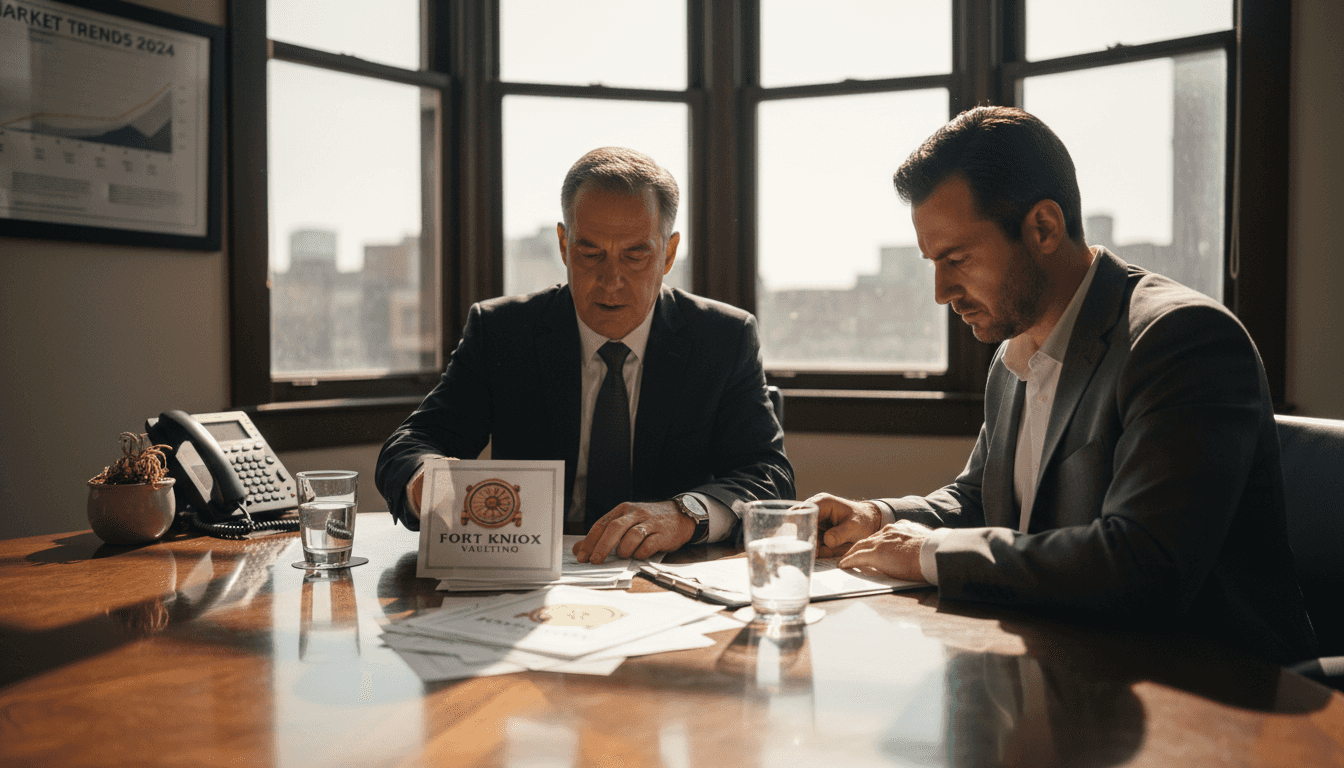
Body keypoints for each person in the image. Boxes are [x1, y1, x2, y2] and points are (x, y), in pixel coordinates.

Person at [813, 106, 1316, 665]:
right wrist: (878, 517)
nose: (940, 291)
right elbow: (979, 500)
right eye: (933, 262)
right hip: (1068, 664)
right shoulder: (1013, 355)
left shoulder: (1181, 339)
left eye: (956, 259)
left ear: (1044, 228)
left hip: (1212, 689)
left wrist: (930, 552)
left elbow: (1141, 566)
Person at [376, 147, 794, 564]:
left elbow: (769, 476)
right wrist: (424, 481)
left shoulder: (723, 338)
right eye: (590, 253)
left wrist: (684, 514)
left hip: (667, 575)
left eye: (635, 255)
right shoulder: (502, 331)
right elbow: (411, 445)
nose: (611, 281)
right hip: (529, 575)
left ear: (668, 253)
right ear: (563, 244)